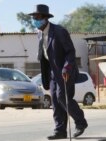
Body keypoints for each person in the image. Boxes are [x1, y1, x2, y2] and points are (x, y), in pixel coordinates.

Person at [28, 4, 88, 139]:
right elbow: (44, 56)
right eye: (33, 18)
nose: (34, 20)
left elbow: (70, 52)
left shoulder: (59, 31)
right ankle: (60, 130)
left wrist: (67, 67)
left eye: (37, 17)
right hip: (53, 74)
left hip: (65, 72)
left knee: (63, 97)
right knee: (55, 100)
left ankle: (81, 122)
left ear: (45, 18)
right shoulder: (39, 34)